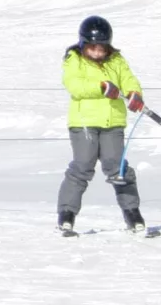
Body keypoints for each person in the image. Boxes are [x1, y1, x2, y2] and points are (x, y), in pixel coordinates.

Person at [58, 16, 146, 235]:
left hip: (113, 122)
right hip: (84, 123)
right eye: (92, 49)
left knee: (118, 167)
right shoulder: (74, 60)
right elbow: (75, 85)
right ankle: (67, 213)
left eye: (102, 49)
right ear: (83, 44)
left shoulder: (116, 61)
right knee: (83, 165)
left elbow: (128, 79)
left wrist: (134, 94)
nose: (97, 53)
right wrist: (101, 86)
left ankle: (132, 213)